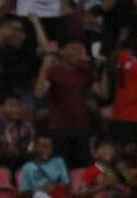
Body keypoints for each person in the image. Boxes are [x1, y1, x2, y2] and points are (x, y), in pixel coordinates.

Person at [35, 37, 101, 170]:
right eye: (73, 49)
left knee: (83, 168)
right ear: (61, 51)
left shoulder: (85, 70)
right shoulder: (53, 71)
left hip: (82, 126)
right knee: (61, 168)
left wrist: (102, 69)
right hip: (58, 128)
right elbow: (39, 93)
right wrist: (44, 66)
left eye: (79, 49)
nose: (77, 52)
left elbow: (101, 92)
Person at [19, 134, 71, 198]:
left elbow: (67, 185)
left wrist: (55, 186)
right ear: (35, 147)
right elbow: (20, 196)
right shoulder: (27, 167)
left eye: (49, 146)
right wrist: (37, 192)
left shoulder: (58, 162)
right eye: (42, 146)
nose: (46, 149)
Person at [0, 93, 35, 172]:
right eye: (11, 105)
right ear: (2, 107)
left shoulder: (28, 128)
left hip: (20, 166)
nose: (15, 109)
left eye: (17, 105)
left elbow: (29, 151)